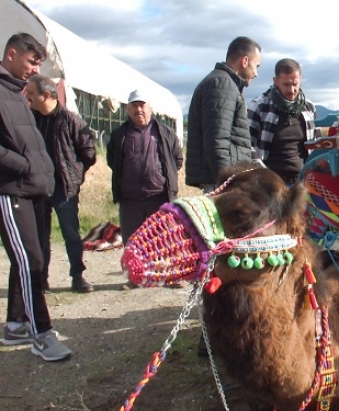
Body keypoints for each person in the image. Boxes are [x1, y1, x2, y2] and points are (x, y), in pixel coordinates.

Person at [0, 32, 72, 361]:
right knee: (30, 261)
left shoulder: (17, 94)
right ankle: (41, 334)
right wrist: (25, 165)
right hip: (10, 189)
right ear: (11, 54)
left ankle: (16, 324)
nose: (34, 70)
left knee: (32, 259)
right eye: (31, 62)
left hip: (31, 188)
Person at [26, 74, 97, 293]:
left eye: (31, 93)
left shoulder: (71, 120)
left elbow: (89, 154)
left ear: (46, 95)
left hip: (64, 188)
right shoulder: (30, 118)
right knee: (40, 236)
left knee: (71, 234)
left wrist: (75, 176)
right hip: (38, 186)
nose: (27, 97)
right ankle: (41, 279)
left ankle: (77, 277)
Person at [106, 90, 183, 266]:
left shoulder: (165, 133)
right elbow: (113, 160)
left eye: (142, 105)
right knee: (132, 238)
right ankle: (134, 276)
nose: (138, 109)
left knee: (165, 236)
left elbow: (177, 160)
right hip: (130, 198)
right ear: (128, 109)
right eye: (134, 105)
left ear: (150, 108)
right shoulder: (119, 135)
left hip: (159, 195)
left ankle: (167, 273)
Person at [185, 36, 261, 192]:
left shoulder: (226, 85)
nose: (256, 73)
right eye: (256, 66)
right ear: (245, 61)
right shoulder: (222, 86)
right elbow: (217, 142)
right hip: (222, 185)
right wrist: (227, 186)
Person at [248, 58, 318, 185]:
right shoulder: (259, 106)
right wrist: (264, 175)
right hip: (268, 185)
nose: (292, 90)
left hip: (302, 183)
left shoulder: (309, 108)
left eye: (295, 84)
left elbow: (315, 145)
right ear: (275, 81)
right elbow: (247, 146)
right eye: (286, 84)